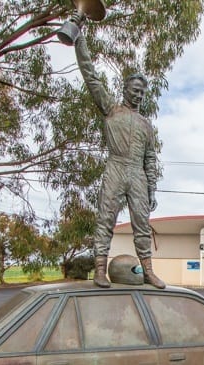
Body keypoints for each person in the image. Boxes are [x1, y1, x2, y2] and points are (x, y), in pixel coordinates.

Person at [73, 28, 165, 289]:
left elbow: (150, 158)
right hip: (115, 166)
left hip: (137, 173)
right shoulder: (112, 110)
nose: (138, 95)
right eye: (134, 90)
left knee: (142, 225)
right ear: (125, 89)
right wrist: (79, 40)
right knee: (105, 220)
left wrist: (151, 188)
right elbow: (91, 76)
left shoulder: (146, 125)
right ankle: (100, 270)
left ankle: (148, 271)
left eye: (141, 92)